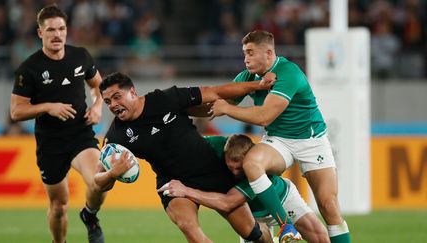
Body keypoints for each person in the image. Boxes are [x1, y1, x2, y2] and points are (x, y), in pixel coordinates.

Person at [94, 72, 300, 243]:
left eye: (117, 97)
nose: (112, 105)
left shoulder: (166, 99)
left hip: (212, 168)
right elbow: (98, 181)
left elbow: (215, 92)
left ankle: (264, 232)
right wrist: (112, 174)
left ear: (132, 91)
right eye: (107, 101)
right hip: (173, 183)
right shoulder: (116, 136)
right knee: (190, 229)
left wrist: (258, 85)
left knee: (253, 234)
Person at [209, 30, 351, 243]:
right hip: (279, 140)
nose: (245, 59)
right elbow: (216, 103)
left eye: (250, 53)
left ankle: (268, 221)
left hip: (311, 141)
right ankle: (286, 226)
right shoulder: (248, 77)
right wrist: (178, 107)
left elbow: (265, 116)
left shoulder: (288, 72)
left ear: (267, 53)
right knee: (252, 163)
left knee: (328, 205)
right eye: (244, 53)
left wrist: (226, 109)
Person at [10, 4, 106, 243]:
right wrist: (47, 107)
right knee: (59, 206)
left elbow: (98, 87)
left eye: (61, 28)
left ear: (67, 30)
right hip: (51, 143)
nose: (57, 34)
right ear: (40, 33)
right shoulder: (29, 69)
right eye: (51, 30)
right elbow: (16, 111)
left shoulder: (81, 56)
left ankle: (90, 216)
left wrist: (97, 107)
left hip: (80, 135)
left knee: (99, 180)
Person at [159, 134, 329, 243]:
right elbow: (191, 145)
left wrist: (186, 191)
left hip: (282, 199)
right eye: (230, 167)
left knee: (320, 237)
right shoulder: (216, 146)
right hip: (251, 217)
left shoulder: (256, 164)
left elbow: (228, 203)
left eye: (239, 169)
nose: (235, 173)